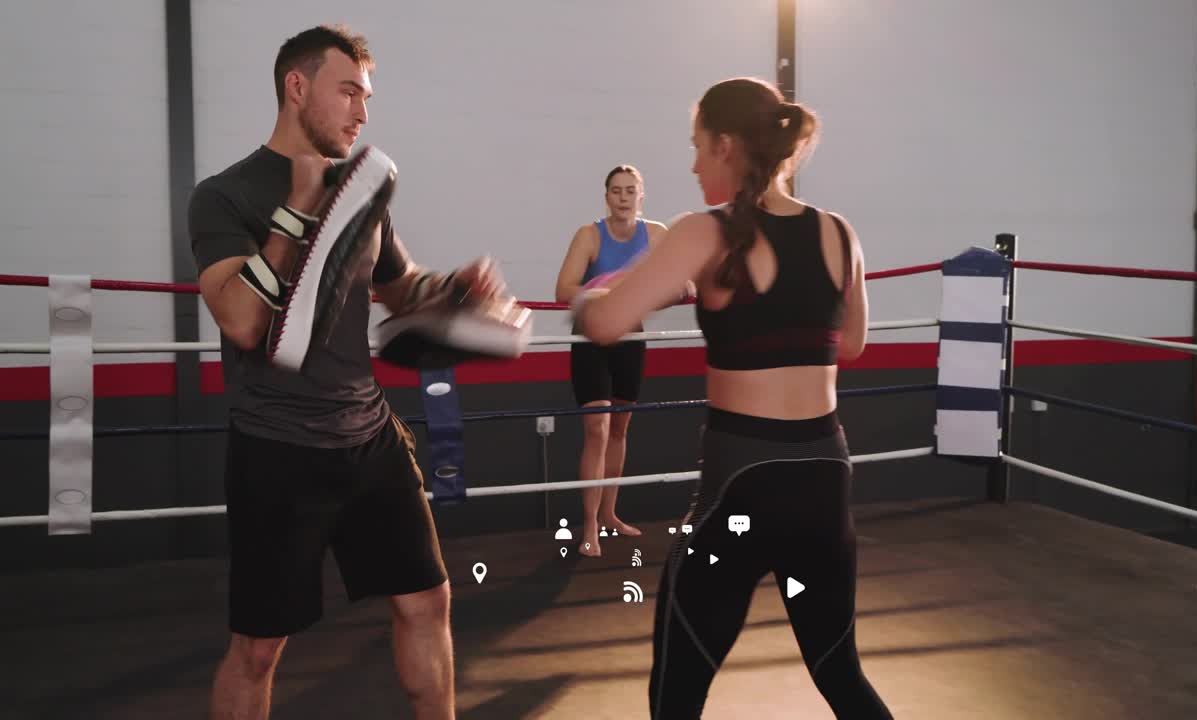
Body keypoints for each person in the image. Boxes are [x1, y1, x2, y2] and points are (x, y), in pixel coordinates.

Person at [188, 25, 503, 720]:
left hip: (368, 437)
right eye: (349, 92)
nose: (363, 112)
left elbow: (399, 288)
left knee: (428, 602)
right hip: (275, 446)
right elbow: (240, 319)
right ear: (297, 88)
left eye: (367, 96)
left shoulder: (362, 195)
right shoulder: (225, 196)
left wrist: (456, 290)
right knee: (260, 648)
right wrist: (298, 208)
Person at [575, 77, 892, 718]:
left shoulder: (703, 232)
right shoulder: (838, 232)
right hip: (825, 479)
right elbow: (851, 344)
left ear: (726, 145)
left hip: (743, 488)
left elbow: (606, 325)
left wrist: (587, 298)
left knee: (678, 687)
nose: (692, 165)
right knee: (840, 672)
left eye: (697, 148)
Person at [554, 166, 668, 557]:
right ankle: (589, 526)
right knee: (597, 431)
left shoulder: (656, 234)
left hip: (630, 337)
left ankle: (609, 515)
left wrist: (655, 290)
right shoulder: (589, 234)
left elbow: (678, 281)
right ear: (607, 197)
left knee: (619, 430)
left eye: (630, 190)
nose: (623, 197)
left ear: (641, 195)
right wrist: (611, 288)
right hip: (590, 338)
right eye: (616, 191)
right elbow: (563, 288)